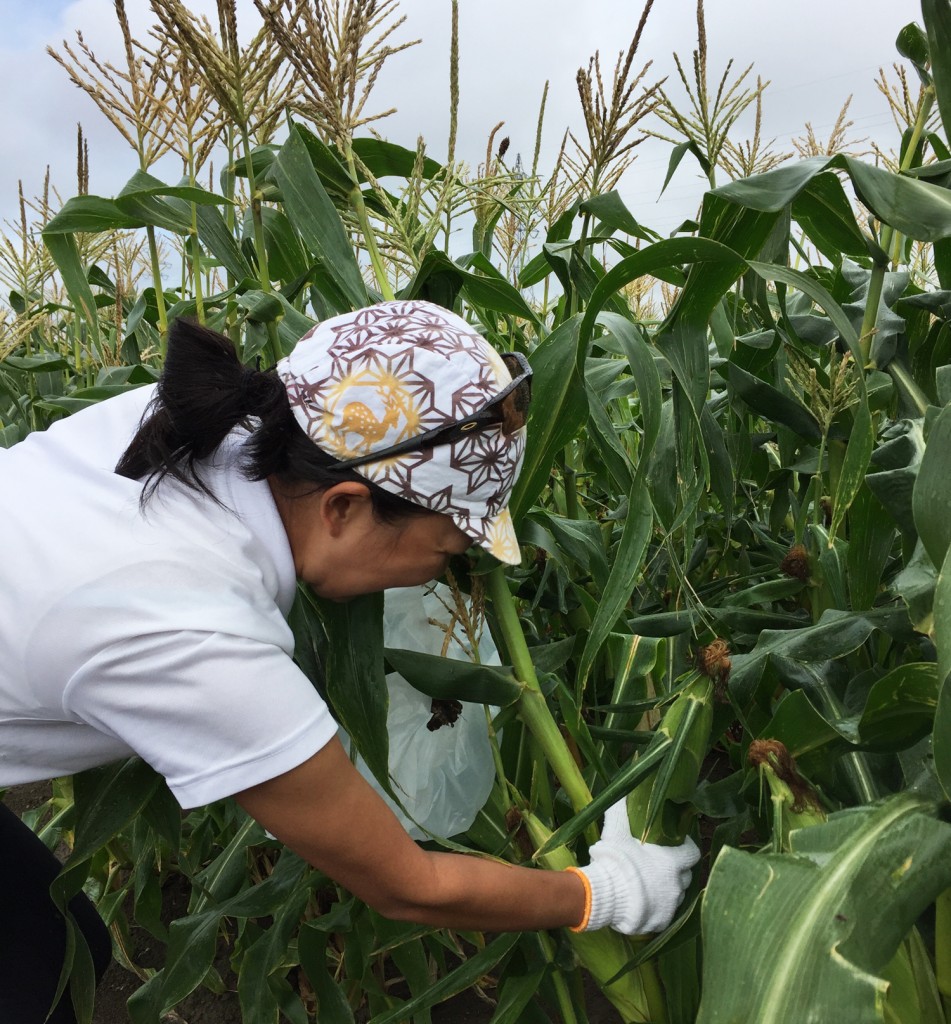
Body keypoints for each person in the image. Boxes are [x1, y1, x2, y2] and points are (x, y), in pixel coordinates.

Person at [0, 300, 699, 1022]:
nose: (438, 578)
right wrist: (602, 893)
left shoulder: (201, 420)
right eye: (447, 551)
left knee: (62, 946)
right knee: (33, 986)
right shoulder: (189, 634)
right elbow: (407, 883)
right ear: (342, 507)